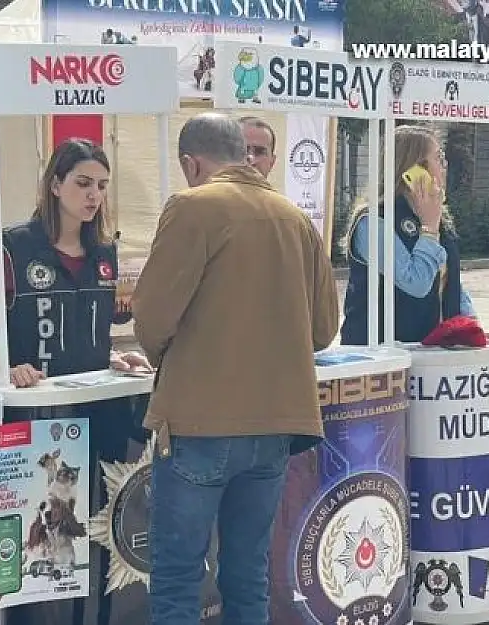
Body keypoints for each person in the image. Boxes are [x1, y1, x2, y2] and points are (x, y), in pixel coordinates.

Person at [131, 112, 339, 625]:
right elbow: (324, 328)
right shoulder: (294, 217)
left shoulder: (190, 207)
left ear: (191, 162)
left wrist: (169, 357)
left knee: (178, 577)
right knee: (248, 574)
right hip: (275, 425)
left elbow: (153, 317)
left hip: (199, 422)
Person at [0, 137, 149, 625]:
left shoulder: (106, 253)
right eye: (84, 183)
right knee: (33, 543)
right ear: (55, 184)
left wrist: (115, 359)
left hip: (98, 416)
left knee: (92, 533)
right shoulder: (12, 247)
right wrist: (4, 367)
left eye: (102, 186)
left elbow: (90, 334)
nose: (94, 196)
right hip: (34, 421)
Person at [339, 124, 476, 345]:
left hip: (430, 350)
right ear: (414, 170)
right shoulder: (373, 221)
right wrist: (429, 231)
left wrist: (470, 324)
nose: (445, 166)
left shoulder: (436, 216)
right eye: (438, 159)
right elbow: (416, 284)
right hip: (381, 353)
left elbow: (449, 280)